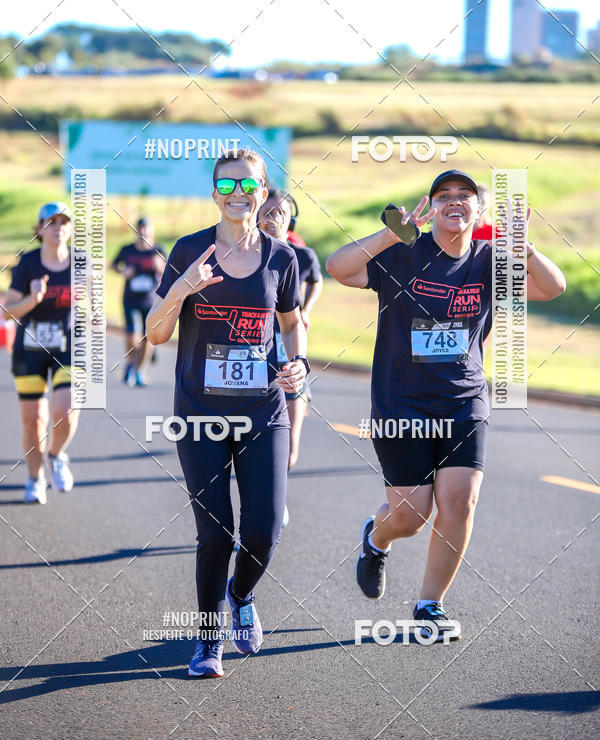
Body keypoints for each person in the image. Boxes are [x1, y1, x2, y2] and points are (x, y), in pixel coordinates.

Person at [326, 169, 566, 640]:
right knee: (412, 516)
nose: (455, 202)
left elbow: (551, 287)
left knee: (459, 500)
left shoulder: (491, 260)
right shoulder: (403, 252)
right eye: (444, 195)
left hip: (464, 401)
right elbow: (339, 267)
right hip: (402, 402)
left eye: (465, 196)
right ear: (431, 206)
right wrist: (390, 233)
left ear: (479, 210)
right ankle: (375, 541)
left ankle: (429, 605)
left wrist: (522, 244)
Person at [147, 148, 309, 678]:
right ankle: (208, 643)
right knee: (216, 532)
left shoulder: (281, 259)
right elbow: (156, 332)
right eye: (228, 185)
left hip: (264, 409)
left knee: (262, 533)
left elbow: (291, 323)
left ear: (263, 193)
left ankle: (241, 594)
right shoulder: (190, 250)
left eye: (249, 186)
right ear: (214, 192)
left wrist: (299, 362)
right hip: (199, 412)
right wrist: (181, 289)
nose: (238, 195)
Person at [4, 202, 80, 504]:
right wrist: (33, 299)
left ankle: (56, 455)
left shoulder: (81, 263)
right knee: (33, 420)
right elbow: (8, 311)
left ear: (71, 229)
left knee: (67, 410)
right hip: (29, 349)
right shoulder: (28, 264)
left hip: (68, 347)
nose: (58, 227)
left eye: (64, 222)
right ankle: (35, 478)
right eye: (51, 222)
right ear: (39, 229)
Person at [258, 189, 322, 470]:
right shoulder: (243, 255)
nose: (272, 219)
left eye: (279, 213)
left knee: (289, 446)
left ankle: (275, 500)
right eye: (266, 212)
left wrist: (305, 310)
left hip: (289, 352)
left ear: (290, 221)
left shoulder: (303, 256)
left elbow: (317, 281)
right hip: (254, 356)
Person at [111, 218, 165, 386]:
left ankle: (140, 371)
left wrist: (160, 267)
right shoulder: (127, 250)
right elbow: (113, 265)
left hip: (151, 301)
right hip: (131, 299)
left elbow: (170, 271)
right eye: (140, 228)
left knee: (148, 337)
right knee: (132, 334)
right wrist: (123, 271)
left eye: (146, 228)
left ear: (152, 231)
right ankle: (130, 363)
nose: (143, 232)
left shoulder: (158, 250)